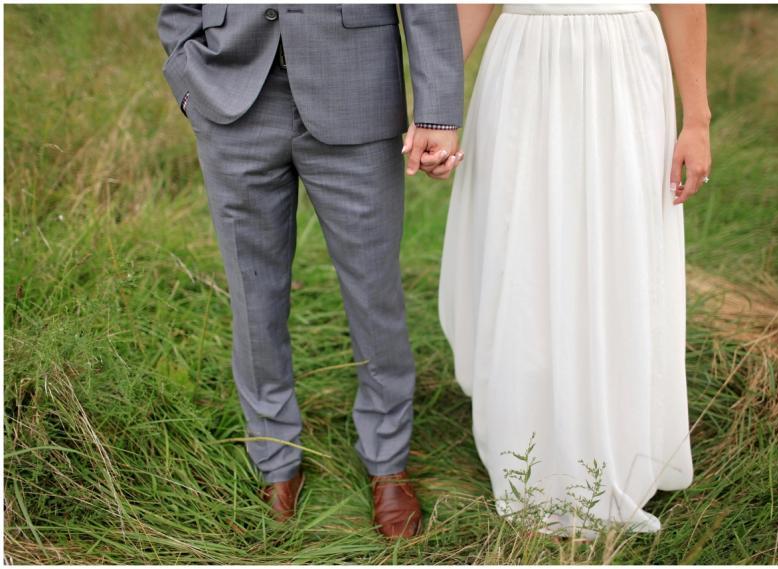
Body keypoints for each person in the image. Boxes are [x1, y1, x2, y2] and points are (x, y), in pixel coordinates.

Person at [156, 4, 464, 539]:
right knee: (254, 297)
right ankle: (275, 459)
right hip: (232, 98)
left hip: (357, 93)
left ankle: (388, 459)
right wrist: (189, 83)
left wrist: (437, 111)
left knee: (375, 295)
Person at [437, 3, 711, 537]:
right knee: (522, 251)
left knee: (618, 247)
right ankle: (529, 445)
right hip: (522, 65)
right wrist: (435, 105)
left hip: (622, 64)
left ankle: (617, 441)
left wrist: (697, 118)